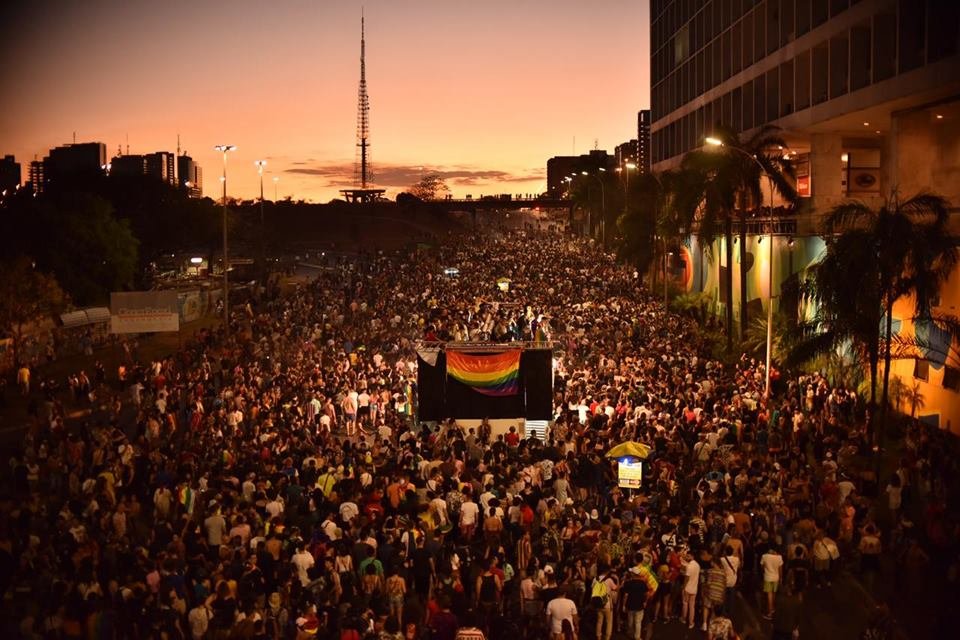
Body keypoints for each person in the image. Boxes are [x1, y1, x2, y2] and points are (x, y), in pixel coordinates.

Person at [760, 545, 783, 619]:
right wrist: (781, 578)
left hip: (768, 577)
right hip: (776, 577)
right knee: (774, 594)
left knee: (769, 595)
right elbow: (780, 569)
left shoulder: (764, 556)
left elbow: (762, 567)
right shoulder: (779, 557)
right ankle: (773, 609)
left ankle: (769, 613)